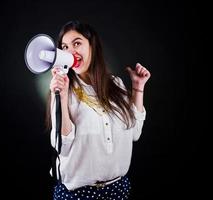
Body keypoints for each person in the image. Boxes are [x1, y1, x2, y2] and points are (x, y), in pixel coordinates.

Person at [46, 20, 151, 200]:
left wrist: (137, 88)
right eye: (64, 47)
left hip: (118, 190)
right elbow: (62, 147)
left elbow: (135, 133)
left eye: (77, 43)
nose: (71, 52)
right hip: (77, 194)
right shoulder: (64, 89)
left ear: (92, 46)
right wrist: (62, 98)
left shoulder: (116, 84)